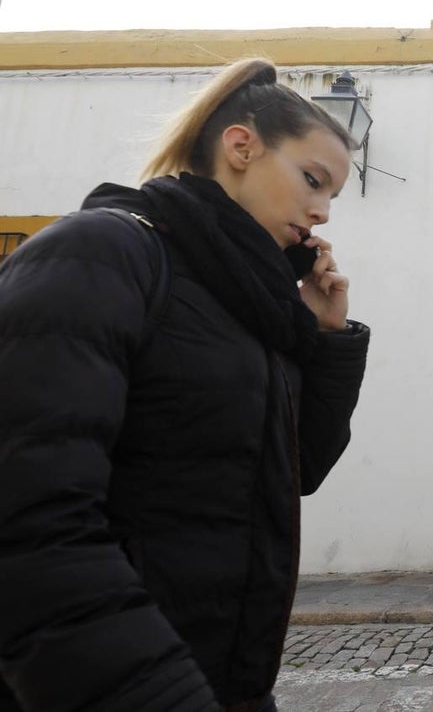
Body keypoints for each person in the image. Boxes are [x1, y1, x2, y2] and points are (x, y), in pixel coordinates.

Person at [0, 58, 370, 711]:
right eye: (314, 180)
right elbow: (34, 524)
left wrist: (328, 340)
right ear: (241, 146)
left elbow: (294, 473)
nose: (322, 212)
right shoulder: (101, 254)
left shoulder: (256, 308)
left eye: (334, 195)